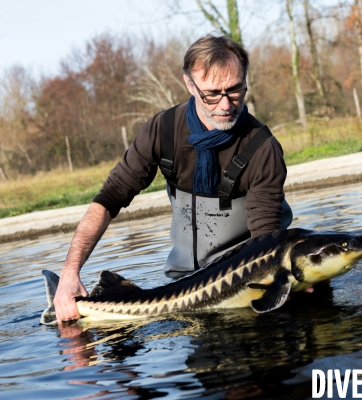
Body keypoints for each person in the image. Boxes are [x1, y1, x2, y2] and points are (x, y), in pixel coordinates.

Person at [54, 34, 292, 324]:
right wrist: (69, 274)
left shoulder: (262, 147)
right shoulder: (162, 130)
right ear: (189, 84)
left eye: (235, 90)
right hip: (181, 285)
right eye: (212, 93)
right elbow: (109, 198)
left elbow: (264, 245)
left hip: (239, 282)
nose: (226, 105)